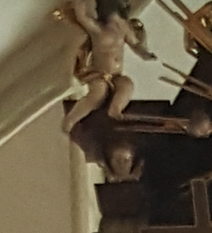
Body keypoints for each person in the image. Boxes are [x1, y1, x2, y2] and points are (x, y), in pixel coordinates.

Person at [61, 0, 157, 135]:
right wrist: (79, 4)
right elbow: (82, 18)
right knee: (98, 92)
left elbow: (135, 44)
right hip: (99, 73)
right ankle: (72, 119)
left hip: (117, 75)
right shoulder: (98, 29)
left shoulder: (124, 28)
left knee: (127, 84)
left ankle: (115, 109)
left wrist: (145, 54)